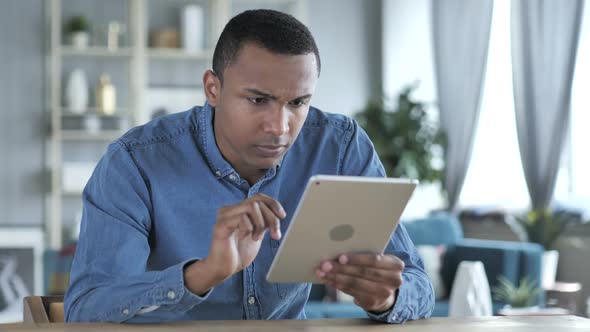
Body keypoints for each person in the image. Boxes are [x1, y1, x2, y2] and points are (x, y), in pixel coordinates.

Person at [64, 9, 434, 323]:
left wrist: (386, 299)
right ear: (213, 88)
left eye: (298, 103)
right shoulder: (135, 162)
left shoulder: (339, 146)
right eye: (258, 100)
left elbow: (417, 281)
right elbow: (85, 309)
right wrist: (204, 273)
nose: (280, 127)